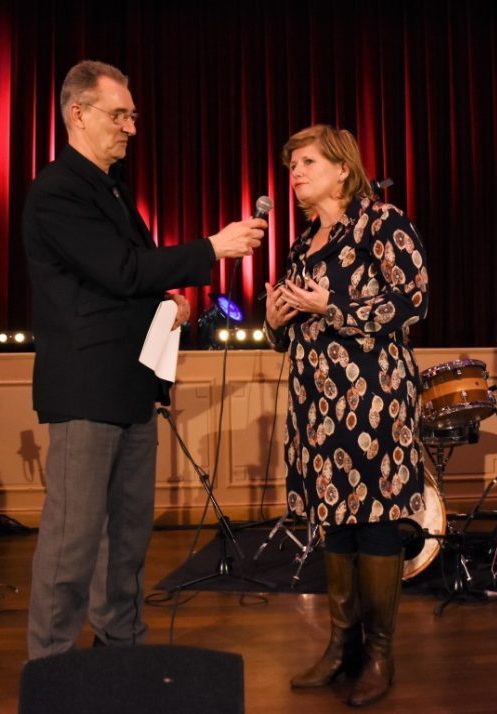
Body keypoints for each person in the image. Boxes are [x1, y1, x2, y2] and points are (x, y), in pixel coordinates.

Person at [22, 60, 265, 660]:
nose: (131, 127)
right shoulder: (57, 191)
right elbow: (120, 270)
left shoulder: (111, 189)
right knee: (73, 542)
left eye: (133, 115)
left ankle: (123, 653)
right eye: (119, 115)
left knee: (128, 538)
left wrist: (165, 301)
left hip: (130, 386)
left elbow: (117, 282)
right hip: (86, 389)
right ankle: (49, 669)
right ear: (78, 114)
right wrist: (213, 247)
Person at [264, 125, 429, 706]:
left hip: (374, 395)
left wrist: (331, 306)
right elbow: (290, 328)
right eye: (291, 165)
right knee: (334, 518)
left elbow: (413, 299)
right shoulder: (302, 244)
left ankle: (379, 653)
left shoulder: (382, 222)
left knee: (375, 516)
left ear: (342, 168)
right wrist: (275, 323)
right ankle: (342, 647)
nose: (295, 173)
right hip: (316, 402)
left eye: (307, 162)